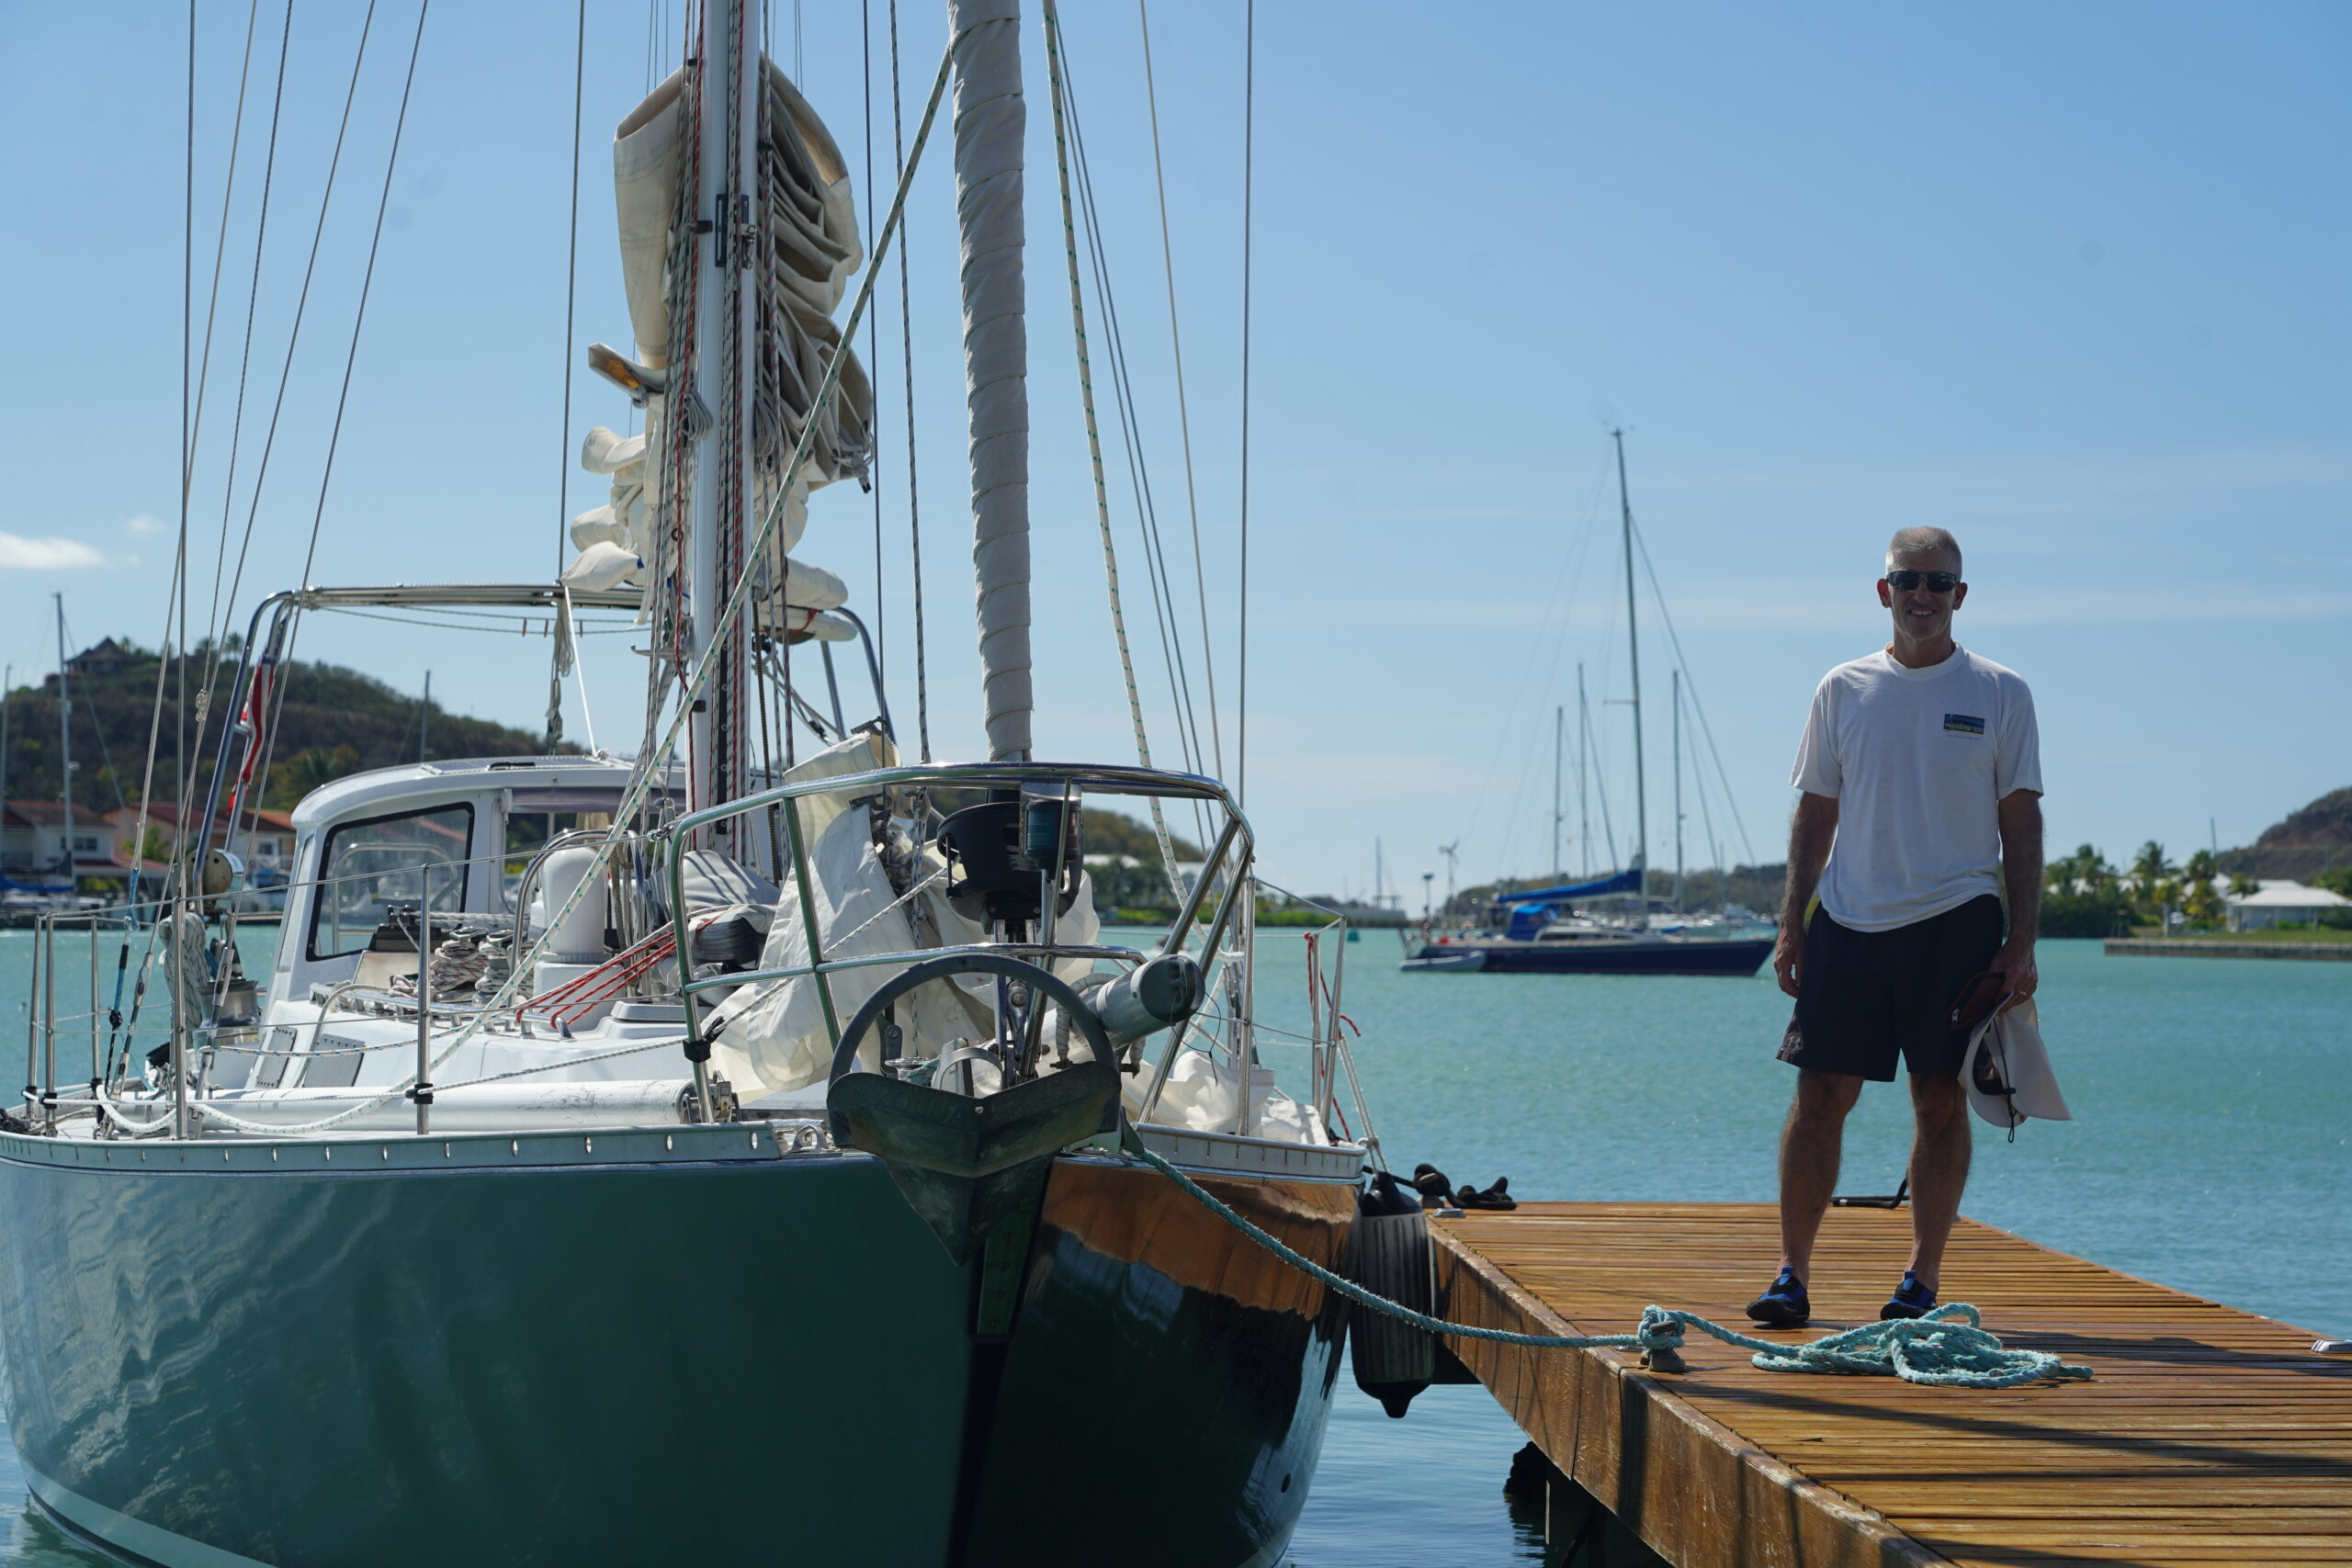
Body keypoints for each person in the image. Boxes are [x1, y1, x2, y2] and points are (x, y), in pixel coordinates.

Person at [1747, 526, 2041, 1328]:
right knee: (1818, 1098)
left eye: (1938, 582)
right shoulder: (1842, 688)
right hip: (1849, 919)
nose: (1922, 595)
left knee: (1939, 1101)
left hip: (1958, 923)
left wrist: (2022, 941)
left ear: (1960, 595)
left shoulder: (2001, 692)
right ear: (1884, 591)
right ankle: (1793, 1275)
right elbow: (1815, 812)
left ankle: (1921, 1277)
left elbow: (2021, 824)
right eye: (1908, 580)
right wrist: (1792, 925)